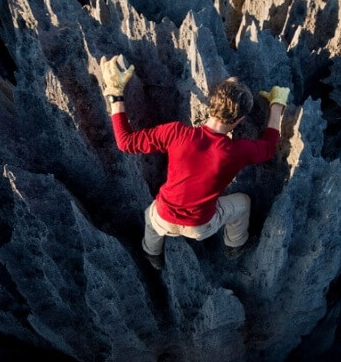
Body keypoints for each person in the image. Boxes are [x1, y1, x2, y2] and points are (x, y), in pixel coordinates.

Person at [99, 54, 290, 268]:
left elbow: (126, 143)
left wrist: (116, 94)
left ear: (211, 105)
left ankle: (152, 254)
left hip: (164, 216)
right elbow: (268, 149)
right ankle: (235, 244)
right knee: (243, 203)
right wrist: (276, 106)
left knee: (151, 220)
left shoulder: (177, 133)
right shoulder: (237, 151)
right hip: (201, 226)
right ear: (239, 120)